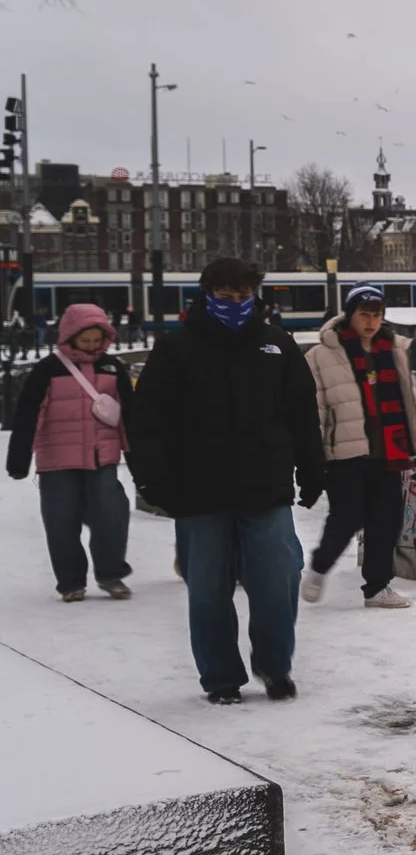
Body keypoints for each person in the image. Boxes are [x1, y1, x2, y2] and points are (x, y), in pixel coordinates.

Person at [125, 259, 325, 703]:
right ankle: (220, 678)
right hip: (199, 489)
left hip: (266, 485)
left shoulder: (277, 346)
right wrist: (151, 479)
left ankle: (274, 667)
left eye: (242, 297)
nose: (234, 304)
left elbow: (302, 415)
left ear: (255, 298)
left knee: (278, 581)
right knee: (208, 590)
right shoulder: (176, 349)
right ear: (206, 294)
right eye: (224, 296)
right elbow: (148, 421)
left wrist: (313, 469)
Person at [7, 302, 137, 601]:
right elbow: (28, 414)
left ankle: (111, 572)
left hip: (101, 457)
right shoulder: (48, 369)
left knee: (112, 514)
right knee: (61, 520)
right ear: (70, 336)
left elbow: (129, 417)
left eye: (96, 340)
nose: (92, 347)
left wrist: (137, 458)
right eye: (85, 340)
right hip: (57, 460)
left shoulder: (112, 367)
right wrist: (18, 460)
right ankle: (70, 582)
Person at [303, 285, 416, 609]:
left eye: (377, 315)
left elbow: (411, 401)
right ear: (349, 315)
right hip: (346, 452)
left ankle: (377, 587)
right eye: (364, 314)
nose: (371, 322)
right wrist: (316, 457)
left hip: (388, 450)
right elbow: (317, 408)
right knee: (347, 516)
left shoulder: (393, 350)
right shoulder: (321, 355)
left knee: (387, 520)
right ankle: (320, 566)